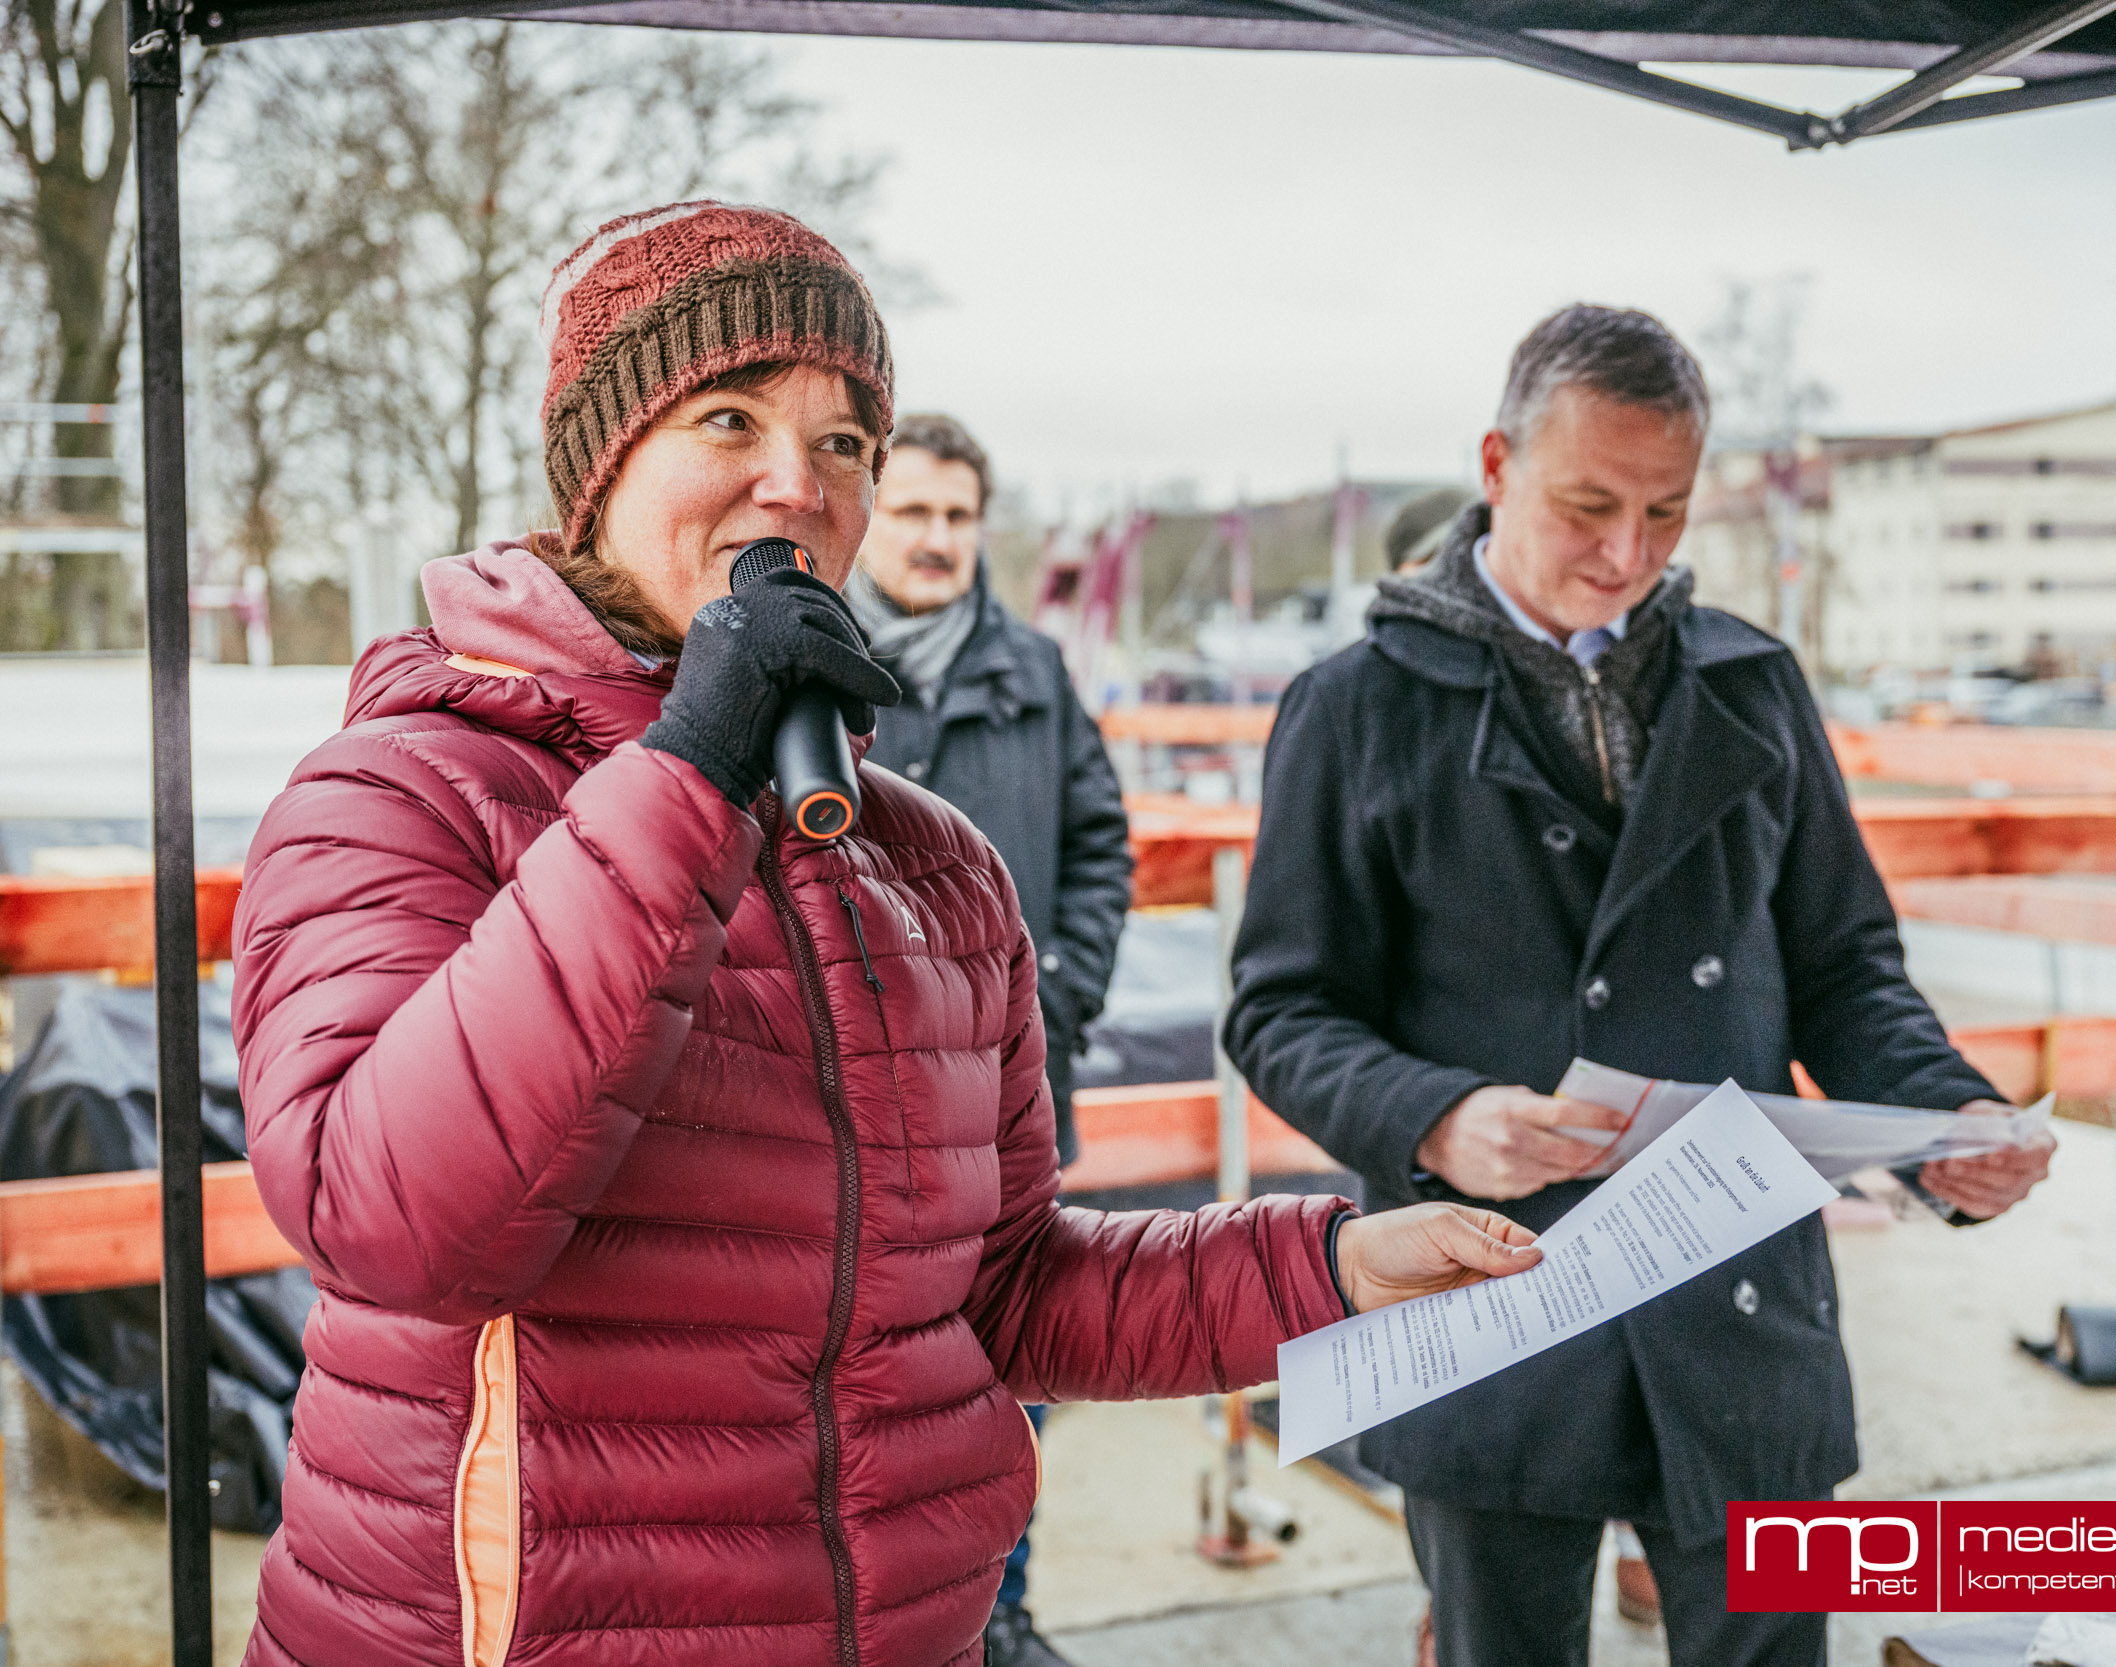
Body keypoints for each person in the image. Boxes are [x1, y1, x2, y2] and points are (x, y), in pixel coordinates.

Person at [228, 201, 1545, 1667]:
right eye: (729, 418)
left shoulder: (931, 861)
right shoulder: (404, 787)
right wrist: (686, 770)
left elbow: (1010, 1292)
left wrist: (1334, 1270)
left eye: (844, 440)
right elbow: (391, 1223)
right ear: (599, 466)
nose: (797, 483)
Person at [1224, 303, 2055, 1667]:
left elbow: (1845, 966)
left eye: (1667, 512)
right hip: (1486, 1304)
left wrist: (1944, 1114)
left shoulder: (1755, 682)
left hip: (1740, 1303)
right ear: (1496, 465)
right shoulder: (1355, 703)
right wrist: (1438, 1116)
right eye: (1588, 506)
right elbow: (1281, 1009)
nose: (1628, 554)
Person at [846, 413, 1127, 1667]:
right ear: (869, 513)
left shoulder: (1034, 670)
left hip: (1013, 1091)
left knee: (1015, 1354)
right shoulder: (803, 662)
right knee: (863, 1378)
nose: (938, 537)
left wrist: (1055, 996)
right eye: (913, 511)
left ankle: (997, 1610)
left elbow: (1099, 844)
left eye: (958, 515)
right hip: (851, 1100)